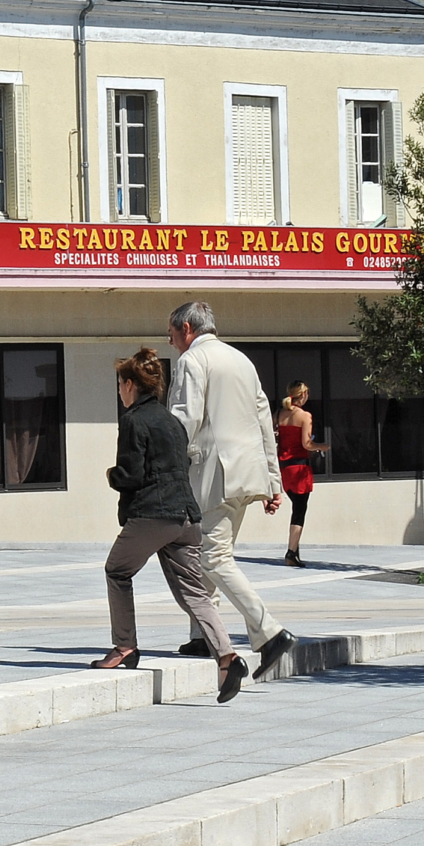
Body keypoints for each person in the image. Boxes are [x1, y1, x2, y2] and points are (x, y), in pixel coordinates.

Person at [94, 348, 247, 702]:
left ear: (130, 385)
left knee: (117, 571)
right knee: (194, 592)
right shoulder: (172, 421)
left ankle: (124, 646)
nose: (120, 391)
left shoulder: (133, 420)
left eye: (120, 384)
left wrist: (112, 475)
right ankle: (227, 657)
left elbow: (131, 474)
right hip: (187, 516)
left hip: (153, 514)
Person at [165, 300, 296, 679]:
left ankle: (270, 632)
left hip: (213, 475)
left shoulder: (192, 360)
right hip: (245, 474)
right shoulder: (242, 360)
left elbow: (184, 420)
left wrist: (163, 464)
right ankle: (203, 635)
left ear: (186, 328)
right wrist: (273, 481)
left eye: (171, 333)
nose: (170, 341)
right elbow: (263, 421)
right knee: (207, 551)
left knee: (213, 558)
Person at [274, 382, 329, 569]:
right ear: (303, 395)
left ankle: (294, 550)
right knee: (299, 510)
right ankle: (291, 552)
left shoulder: (279, 414)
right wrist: (322, 446)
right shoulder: (305, 416)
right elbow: (307, 444)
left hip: (284, 467)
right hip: (299, 467)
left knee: (296, 507)